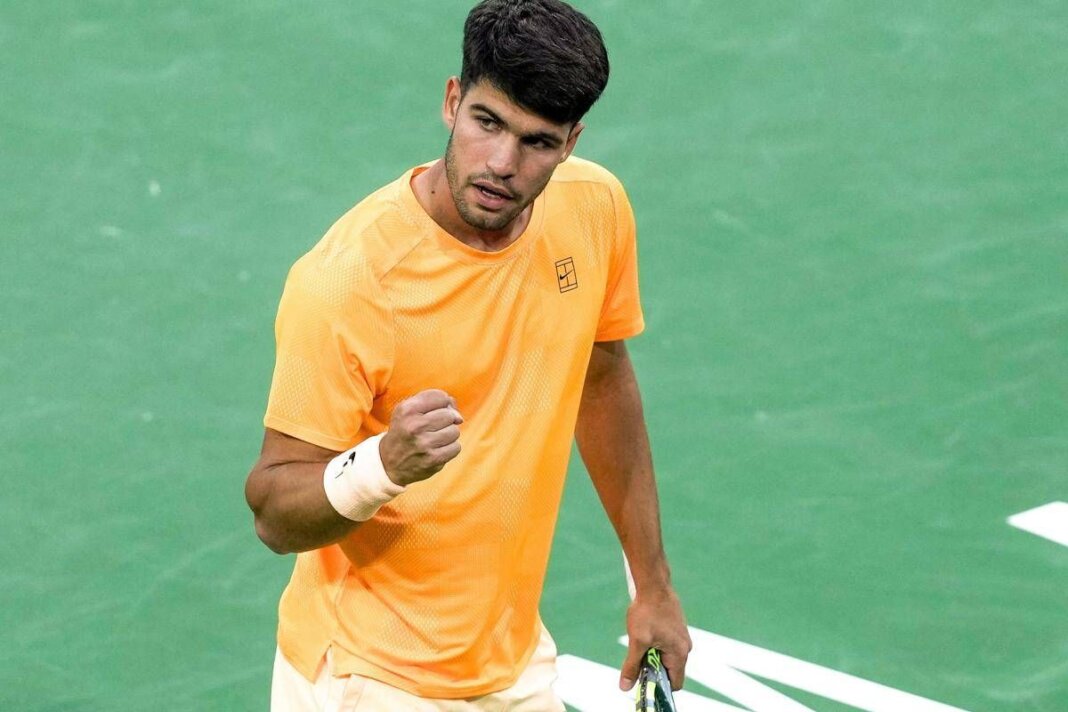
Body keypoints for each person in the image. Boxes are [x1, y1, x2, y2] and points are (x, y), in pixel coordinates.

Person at [244, 0, 691, 708]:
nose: (502, 164)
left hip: (509, 663)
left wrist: (653, 584)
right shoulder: (349, 282)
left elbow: (601, 378)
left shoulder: (594, 208)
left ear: (571, 142)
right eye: (488, 123)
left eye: (537, 141)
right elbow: (273, 510)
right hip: (368, 676)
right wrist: (381, 467)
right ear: (452, 101)